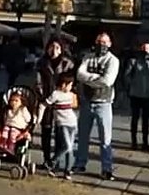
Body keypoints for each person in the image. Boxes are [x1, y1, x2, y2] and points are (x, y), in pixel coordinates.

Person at [71, 31, 121, 180]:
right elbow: (79, 74)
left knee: (105, 138)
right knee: (82, 136)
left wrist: (88, 79)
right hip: (86, 101)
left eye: (104, 42)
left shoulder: (113, 60)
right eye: (99, 41)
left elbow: (107, 81)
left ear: (110, 44)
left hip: (104, 103)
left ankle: (106, 168)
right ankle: (80, 163)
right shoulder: (88, 57)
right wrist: (95, 79)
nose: (101, 45)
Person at [35, 39, 75, 169]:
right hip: (46, 99)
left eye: (57, 47)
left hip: (61, 102)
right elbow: (37, 80)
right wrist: (41, 94)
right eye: (51, 47)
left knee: (60, 132)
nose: (54, 50)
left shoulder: (67, 63)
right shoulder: (42, 62)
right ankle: (46, 159)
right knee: (46, 130)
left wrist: (64, 94)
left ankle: (56, 161)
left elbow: (71, 81)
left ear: (62, 49)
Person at [124, 40, 149, 151]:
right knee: (135, 118)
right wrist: (130, 87)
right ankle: (134, 142)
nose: (145, 51)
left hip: (148, 95)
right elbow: (127, 76)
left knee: (146, 120)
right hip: (135, 94)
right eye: (144, 48)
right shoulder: (133, 61)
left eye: (147, 49)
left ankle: (145, 142)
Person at [45, 72, 80, 179]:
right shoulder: (56, 94)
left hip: (72, 122)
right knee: (65, 145)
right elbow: (46, 104)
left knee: (70, 148)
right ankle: (53, 162)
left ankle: (68, 169)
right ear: (64, 84)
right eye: (70, 84)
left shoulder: (71, 94)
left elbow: (75, 105)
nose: (71, 87)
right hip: (62, 123)